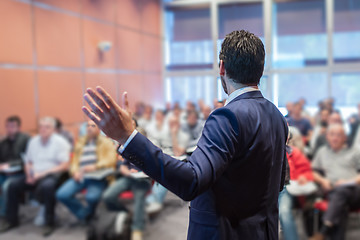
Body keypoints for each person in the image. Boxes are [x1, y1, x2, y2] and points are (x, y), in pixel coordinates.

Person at [83, 30, 288, 239]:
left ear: (222, 67)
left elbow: (191, 182)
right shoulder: (277, 116)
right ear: (261, 69)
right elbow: (278, 181)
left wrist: (128, 137)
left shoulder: (227, 116)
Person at [0, 117, 71, 236]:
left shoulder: (60, 142)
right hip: (34, 174)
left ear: (53, 129)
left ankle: (50, 222)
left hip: (51, 175)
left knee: (47, 187)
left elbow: (64, 165)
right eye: (41, 127)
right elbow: (28, 161)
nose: (43, 129)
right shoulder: (34, 141)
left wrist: (42, 174)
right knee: (13, 185)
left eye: (47, 127)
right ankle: (11, 220)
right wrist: (29, 175)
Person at [56, 120, 117, 223]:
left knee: (91, 197)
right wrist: (74, 172)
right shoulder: (81, 141)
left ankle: (89, 215)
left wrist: (95, 166)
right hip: (81, 175)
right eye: (88, 126)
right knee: (62, 194)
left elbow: (111, 160)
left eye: (93, 126)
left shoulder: (106, 142)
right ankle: (86, 215)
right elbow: (74, 160)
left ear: (99, 129)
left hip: (99, 176)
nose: (89, 128)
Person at [310, 124, 360, 240]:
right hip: (334, 192)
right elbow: (312, 172)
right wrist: (323, 180)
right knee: (340, 206)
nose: (335, 138)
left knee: (341, 191)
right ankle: (327, 227)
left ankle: (323, 230)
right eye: (332, 135)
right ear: (327, 137)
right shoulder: (322, 151)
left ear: (345, 137)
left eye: (339, 135)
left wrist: (347, 181)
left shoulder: (355, 151)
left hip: (355, 191)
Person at [279, 126, 314, 240]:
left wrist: (303, 177)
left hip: (287, 188)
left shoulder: (294, 152)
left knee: (284, 212)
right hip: (266, 190)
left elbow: (308, 172)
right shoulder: (265, 151)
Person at [0, 116, 30, 219]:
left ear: (19, 127)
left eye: (12, 126)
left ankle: (5, 214)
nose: (9, 129)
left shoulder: (26, 139)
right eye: (7, 126)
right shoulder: (3, 142)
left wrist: (11, 165)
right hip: (4, 172)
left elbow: (28, 159)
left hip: (20, 172)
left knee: (6, 187)